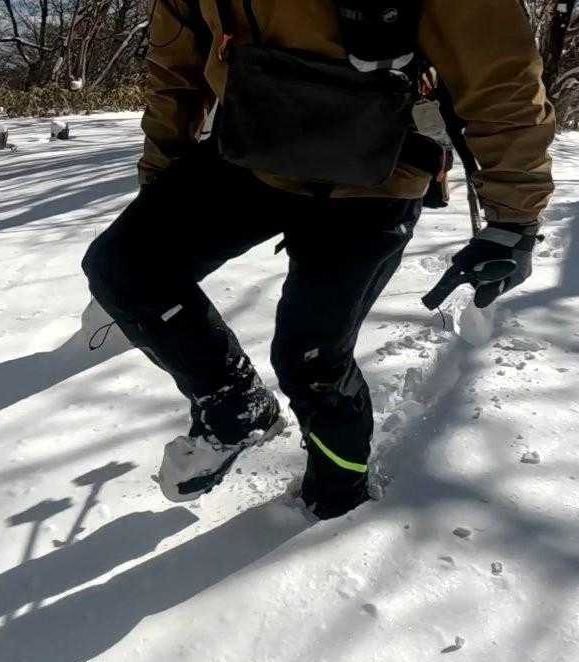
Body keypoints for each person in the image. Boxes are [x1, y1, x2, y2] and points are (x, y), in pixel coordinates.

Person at [81, 0, 555, 519]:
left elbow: (497, 66)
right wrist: (162, 176)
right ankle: (236, 407)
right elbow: (175, 70)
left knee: (311, 358)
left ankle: (339, 497)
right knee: (126, 267)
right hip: (253, 147)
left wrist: (515, 217)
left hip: (377, 170)